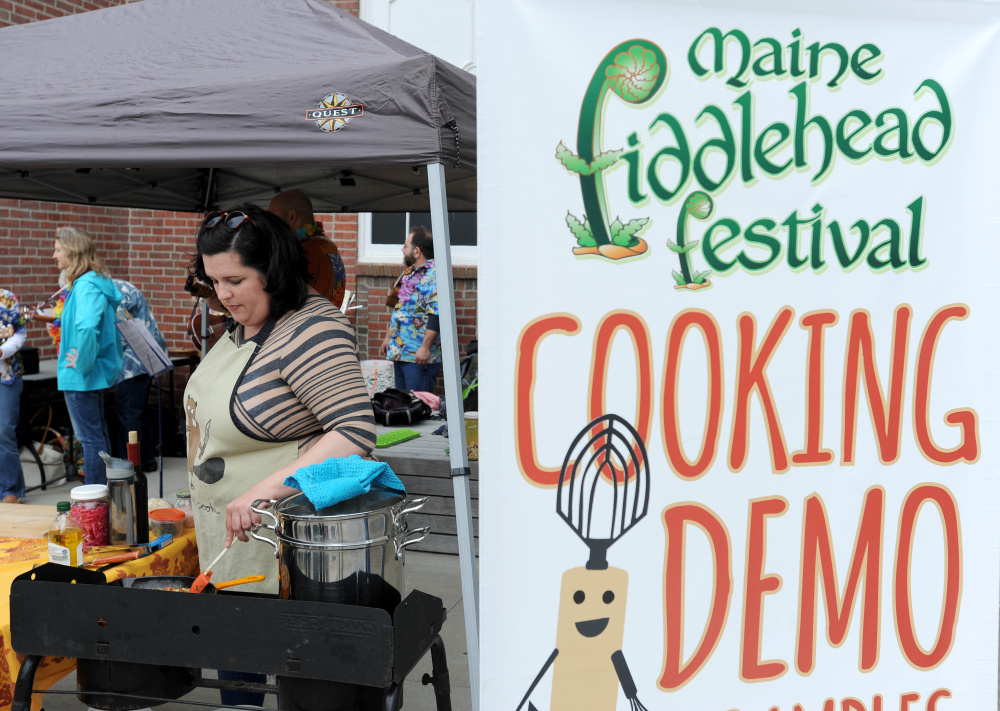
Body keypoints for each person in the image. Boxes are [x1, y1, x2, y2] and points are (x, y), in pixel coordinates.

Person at [186, 204, 375, 706]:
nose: (222, 295)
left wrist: (261, 492)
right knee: (238, 689)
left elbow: (355, 433)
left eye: (234, 280)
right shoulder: (242, 323)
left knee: (305, 690)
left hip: (291, 548)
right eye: (212, 281)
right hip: (230, 544)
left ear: (271, 271)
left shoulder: (312, 329)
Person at [53, 227, 123, 486]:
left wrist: (81, 363)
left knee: (90, 439)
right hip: (89, 374)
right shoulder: (92, 282)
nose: (54, 255)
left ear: (72, 251)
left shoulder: (85, 285)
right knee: (98, 435)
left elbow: (87, 327)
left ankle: (94, 498)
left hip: (81, 376)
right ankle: (104, 493)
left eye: (57, 249)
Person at [113, 279, 167, 473]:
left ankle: (131, 465)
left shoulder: (114, 293)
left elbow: (119, 329)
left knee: (128, 411)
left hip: (136, 358)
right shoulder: (117, 286)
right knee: (137, 410)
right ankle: (146, 459)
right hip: (145, 354)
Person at [381, 225, 442, 392]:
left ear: (417, 252)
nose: (402, 249)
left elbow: (436, 315)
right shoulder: (409, 273)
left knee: (417, 406)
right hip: (400, 352)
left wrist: (425, 348)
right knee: (402, 404)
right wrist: (388, 336)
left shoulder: (435, 276)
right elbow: (400, 308)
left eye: (406, 245)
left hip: (417, 356)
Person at [268, 189, 347, 308]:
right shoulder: (327, 245)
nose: (270, 226)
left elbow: (284, 302)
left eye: (273, 219)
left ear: (292, 216)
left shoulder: (303, 252)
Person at [0, 288, 27, 504]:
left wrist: (1, 352)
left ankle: (11, 489)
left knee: (4, 431)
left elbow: (19, 334)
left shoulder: (7, 299)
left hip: (6, 376)